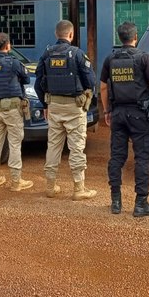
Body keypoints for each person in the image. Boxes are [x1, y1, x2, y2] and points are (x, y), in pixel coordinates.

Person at [100, 22, 149, 217]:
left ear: (120, 37)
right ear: (135, 37)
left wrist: (107, 111)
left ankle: (115, 202)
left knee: (117, 157)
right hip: (140, 115)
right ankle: (140, 203)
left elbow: (103, 87)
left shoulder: (110, 58)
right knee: (142, 158)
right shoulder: (143, 58)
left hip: (119, 114)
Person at [34, 20, 97, 200]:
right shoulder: (77, 54)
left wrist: (45, 105)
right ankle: (79, 189)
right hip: (74, 107)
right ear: (71, 35)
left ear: (56, 34)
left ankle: (50, 186)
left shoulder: (46, 54)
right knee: (76, 147)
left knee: (53, 145)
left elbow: (39, 83)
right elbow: (91, 81)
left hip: (53, 106)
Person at [0, 32, 33, 191]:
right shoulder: (13, 63)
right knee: (14, 144)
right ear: (8, 45)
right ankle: (16, 181)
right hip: (12, 109)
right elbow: (26, 79)